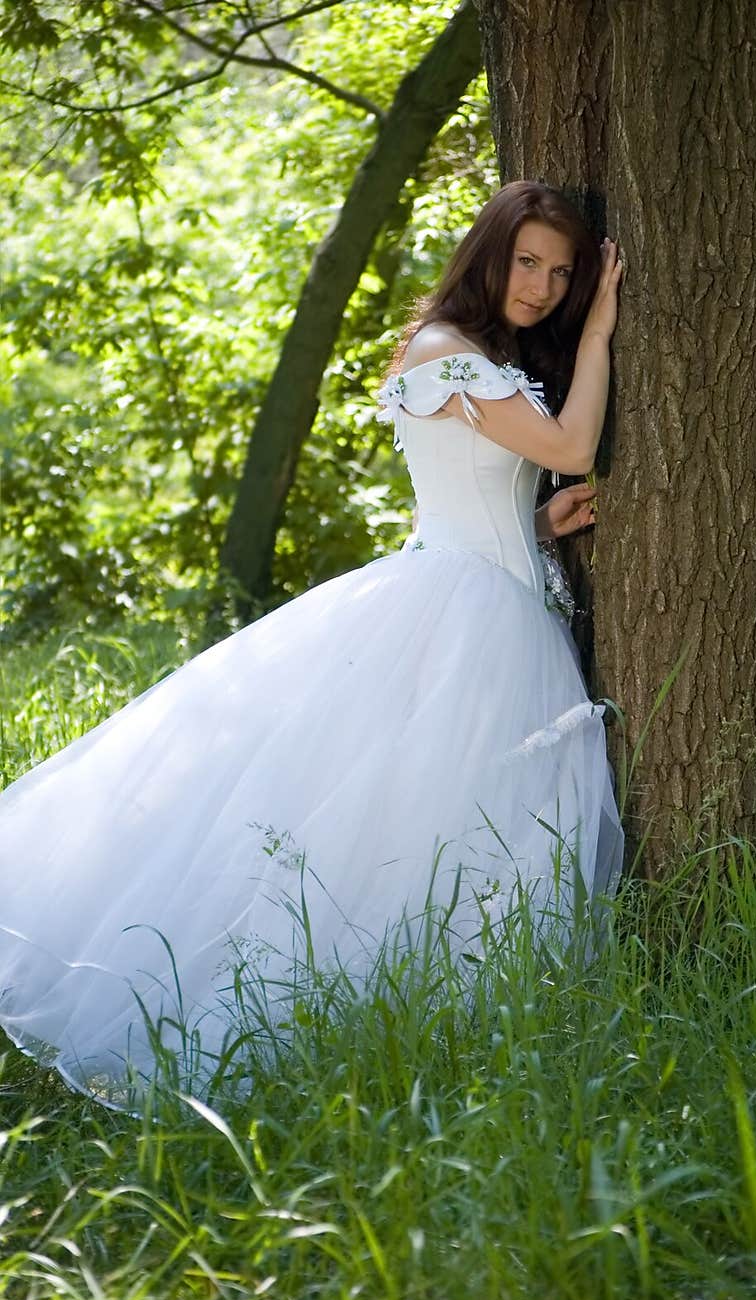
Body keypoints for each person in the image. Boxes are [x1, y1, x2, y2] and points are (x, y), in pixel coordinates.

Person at [0, 180, 624, 1108]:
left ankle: (447, 1032)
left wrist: (534, 530)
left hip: (478, 592)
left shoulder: (460, 357)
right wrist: (602, 328)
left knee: (447, 823)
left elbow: (465, 498)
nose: (541, 286)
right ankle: (340, 1026)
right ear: (490, 254)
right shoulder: (448, 355)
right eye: (527, 261)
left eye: (563, 275)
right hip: (465, 613)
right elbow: (574, 447)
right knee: (400, 822)